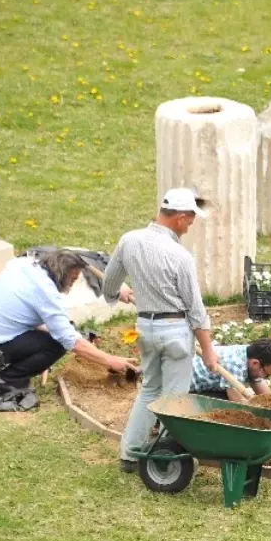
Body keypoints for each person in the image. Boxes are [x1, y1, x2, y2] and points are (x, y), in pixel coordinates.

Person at [102, 186, 219, 473]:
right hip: (176, 331)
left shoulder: (129, 241)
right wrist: (208, 351)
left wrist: (121, 293)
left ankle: (130, 454)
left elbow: (109, 285)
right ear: (180, 217)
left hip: (146, 327)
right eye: (190, 221)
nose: (190, 227)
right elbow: (195, 310)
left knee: (150, 391)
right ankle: (168, 459)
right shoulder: (180, 256)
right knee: (176, 399)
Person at [0, 251, 137, 412]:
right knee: (57, 344)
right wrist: (110, 360)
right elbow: (69, 341)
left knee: (57, 333)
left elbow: (30, 320)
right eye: (73, 278)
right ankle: (4, 380)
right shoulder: (45, 293)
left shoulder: (26, 266)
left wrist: (114, 286)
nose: (74, 283)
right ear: (62, 273)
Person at [189, 338, 271, 402]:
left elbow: (266, 396)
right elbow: (237, 400)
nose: (265, 378)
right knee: (227, 406)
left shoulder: (253, 356)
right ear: (255, 363)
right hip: (187, 388)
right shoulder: (235, 363)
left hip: (208, 386)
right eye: (266, 374)